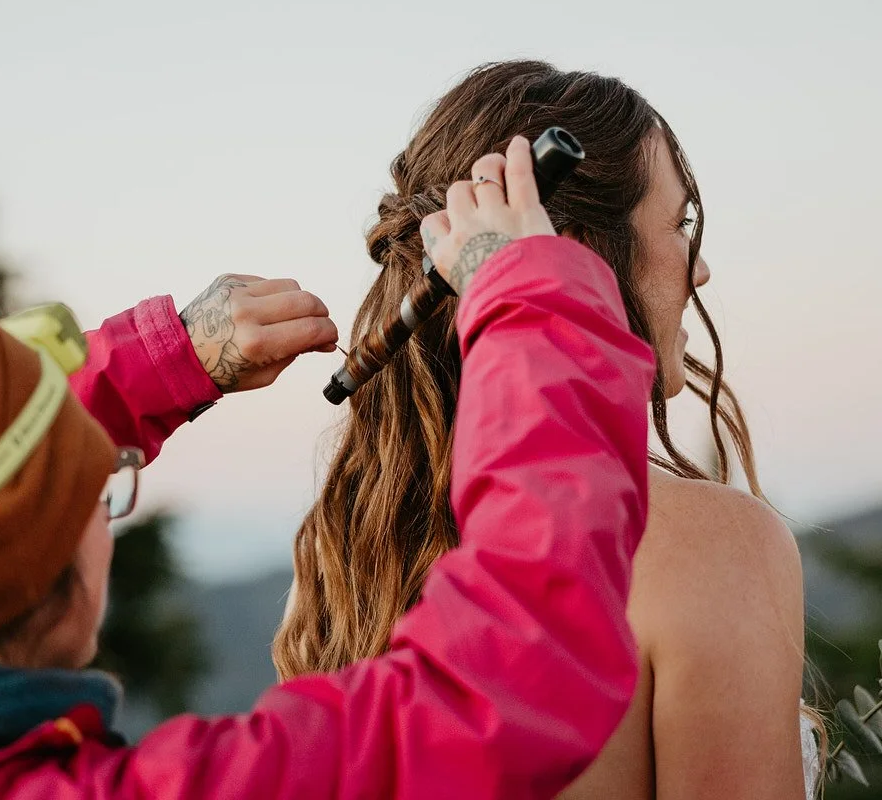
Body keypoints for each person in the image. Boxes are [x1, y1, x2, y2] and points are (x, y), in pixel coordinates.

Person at [0, 139, 656, 799]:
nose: (114, 503)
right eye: (101, 488)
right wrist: (530, 294)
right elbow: (499, 680)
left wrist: (160, 361)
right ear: (26, 571)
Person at [273, 60, 819, 799]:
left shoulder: (345, 561)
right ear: (577, 251)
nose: (701, 270)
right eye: (680, 223)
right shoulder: (712, 547)